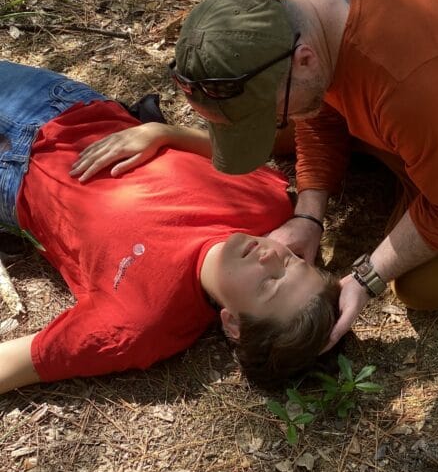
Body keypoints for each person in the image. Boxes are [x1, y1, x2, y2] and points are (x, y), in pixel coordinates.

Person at [83, 0, 438, 351]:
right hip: (408, 96)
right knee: (293, 118)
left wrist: (367, 277)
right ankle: (386, 156)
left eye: (267, 112)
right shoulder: (285, 15)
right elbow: (319, 108)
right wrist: (308, 213)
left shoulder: (416, 86)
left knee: (427, 286)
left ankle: (428, 164)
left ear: (304, 59)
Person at [0, 61, 339, 395]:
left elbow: (19, 363)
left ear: (233, 323)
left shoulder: (141, 324)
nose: (269, 258)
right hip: (61, 106)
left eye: (268, 285)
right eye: (291, 262)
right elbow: (226, 155)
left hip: (12, 184)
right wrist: (161, 132)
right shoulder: (267, 204)